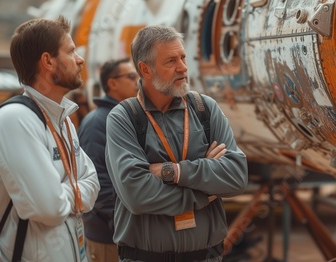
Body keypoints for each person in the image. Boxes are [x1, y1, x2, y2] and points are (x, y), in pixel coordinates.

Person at [105, 25, 248, 262]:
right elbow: (137, 195)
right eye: (171, 61)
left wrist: (173, 171)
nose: (182, 67)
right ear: (145, 69)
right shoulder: (124, 118)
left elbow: (236, 177)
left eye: (182, 57)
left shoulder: (204, 109)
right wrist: (205, 192)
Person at [0, 15, 100, 261]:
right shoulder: (15, 119)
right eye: (71, 51)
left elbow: (94, 182)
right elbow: (49, 208)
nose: (80, 60)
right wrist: (69, 194)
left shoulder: (62, 118)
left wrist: (61, 192)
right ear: (48, 61)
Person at [79, 58, 139, 262]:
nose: (138, 81)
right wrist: (125, 227)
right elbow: (97, 182)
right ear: (112, 83)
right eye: (131, 76)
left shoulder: (125, 118)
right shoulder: (98, 122)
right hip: (109, 236)